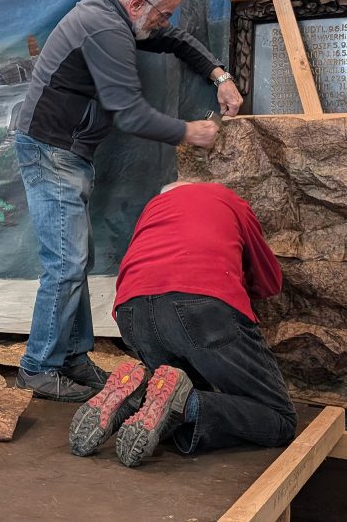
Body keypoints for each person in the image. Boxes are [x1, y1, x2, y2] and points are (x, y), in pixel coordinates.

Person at [13, 0, 243, 402]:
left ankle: (72, 359)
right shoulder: (106, 29)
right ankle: (38, 368)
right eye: (161, 14)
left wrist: (221, 76)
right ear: (138, 3)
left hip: (67, 151)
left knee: (73, 260)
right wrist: (190, 132)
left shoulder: (119, 12)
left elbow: (173, 40)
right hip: (51, 151)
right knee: (64, 264)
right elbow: (130, 113)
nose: (165, 23)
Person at [68, 181, 297, 465]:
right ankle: (186, 405)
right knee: (280, 418)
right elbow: (269, 280)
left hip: (132, 311)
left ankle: (135, 397)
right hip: (201, 304)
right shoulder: (229, 200)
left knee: (171, 393)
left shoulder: (154, 208)